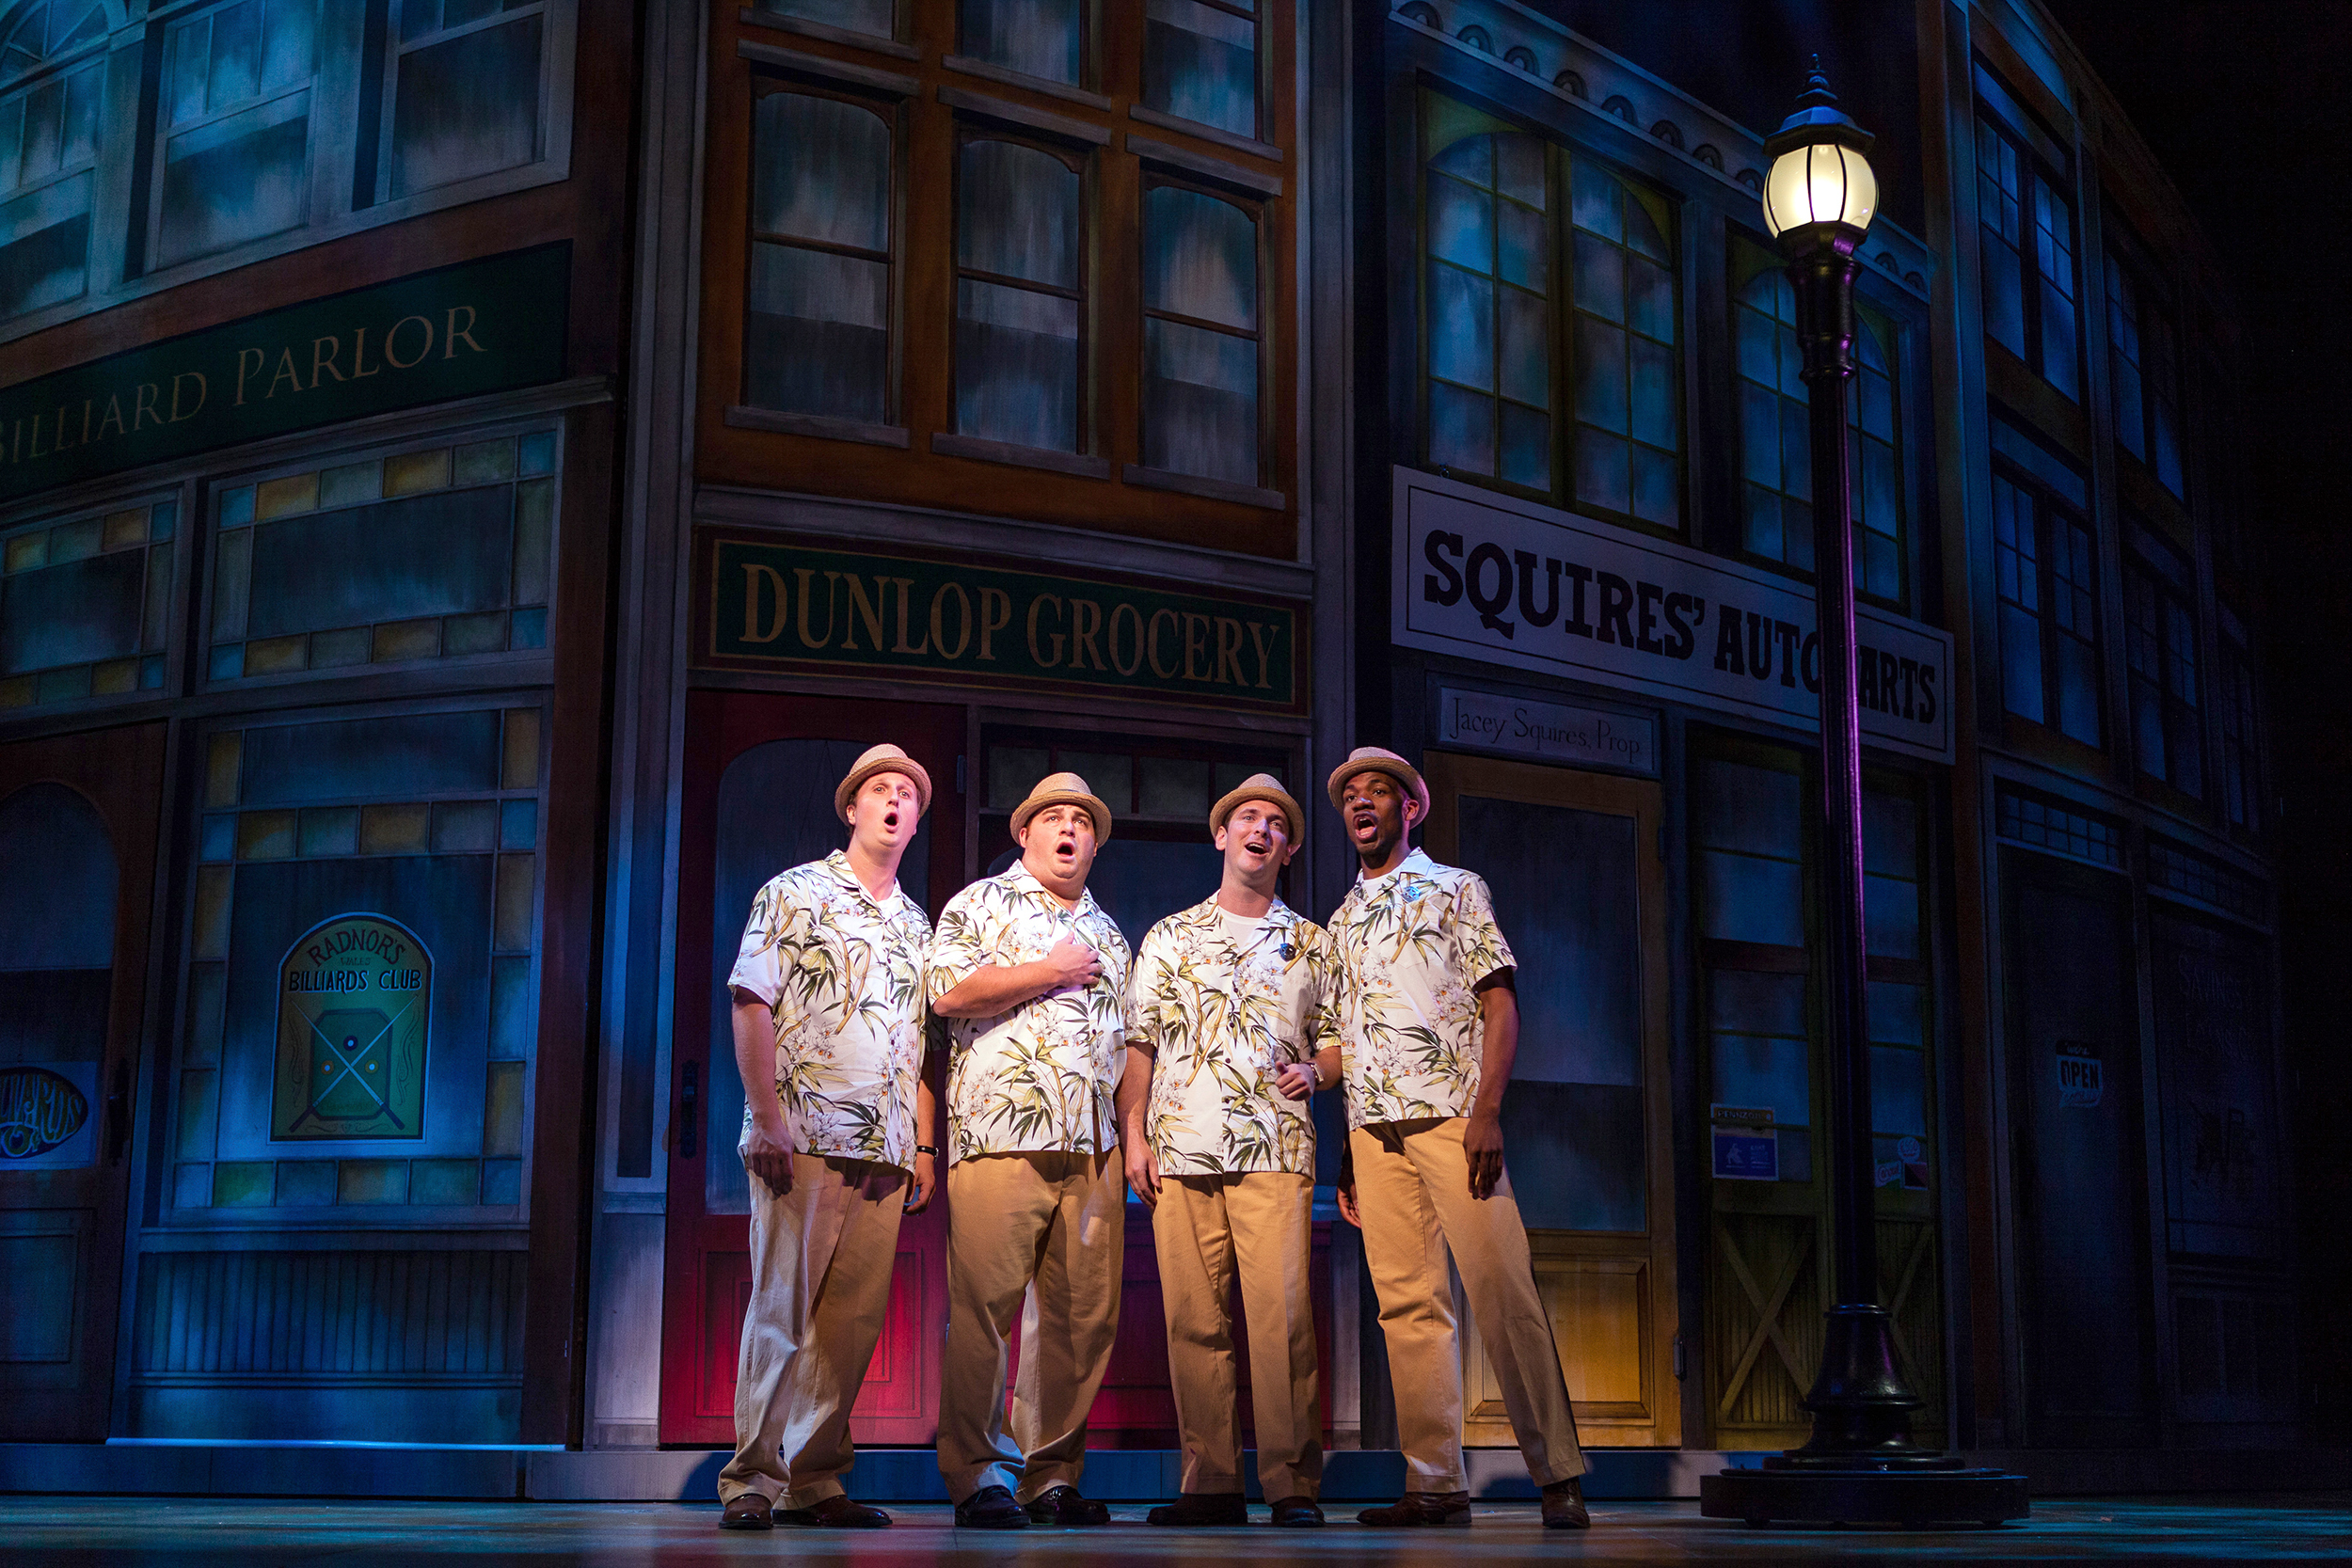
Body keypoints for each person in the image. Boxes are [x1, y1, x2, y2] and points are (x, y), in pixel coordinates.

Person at [1324, 746, 1592, 1530]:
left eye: (1379, 792)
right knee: (1408, 1307)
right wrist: (1347, 1153)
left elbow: (1499, 1004)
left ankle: (1559, 1475)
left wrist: (1488, 1109)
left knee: (1504, 1291)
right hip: (1374, 1135)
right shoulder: (1341, 919)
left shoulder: (1454, 889)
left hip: (1451, 1114)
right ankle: (1435, 1482)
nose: (1361, 803)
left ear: (1412, 809)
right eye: (1351, 796)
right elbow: (1350, 1034)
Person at [716, 744, 940, 1531]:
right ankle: (752, 1477)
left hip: (882, 1146)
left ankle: (815, 1477)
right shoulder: (796, 891)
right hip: (802, 1133)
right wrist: (766, 1119)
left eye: (906, 795)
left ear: (916, 818)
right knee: (782, 1307)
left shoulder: (916, 922)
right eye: (879, 790)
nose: (892, 802)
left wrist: (920, 1144)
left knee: (849, 1324)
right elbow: (751, 999)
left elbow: (914, 1043)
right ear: (852, 807)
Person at [1120, 773, 1343, 1530]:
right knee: (1193, 1319)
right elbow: (1139, 1043)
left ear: (1288, 847)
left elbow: (1342, 1041)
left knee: (1281, 1319)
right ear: (1221, 835)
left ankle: (1291, 1486)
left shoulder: (1312, 942)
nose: (1260, 829)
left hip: (1275, 1147)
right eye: (1247, 816)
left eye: (1276, 823)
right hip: (1181, 1149)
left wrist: (1318, 1069)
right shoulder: (1169, 936)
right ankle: (1210, 1480)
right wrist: (1133, 1135)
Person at [926, 772, 1131, 1529]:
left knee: (1080, 1317)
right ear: (1025, 832)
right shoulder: (978, 904)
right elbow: (947, 994)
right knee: (985, 1309)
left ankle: (1052, 1474)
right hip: (1001, 1136)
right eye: (1056, 817)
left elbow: (1129, 1044)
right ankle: (979, 1473)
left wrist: (1127, 1135)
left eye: (1083, 819)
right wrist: (1050, 971)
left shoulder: (1110, 933)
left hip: (1092, 1145)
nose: (1071, 828)